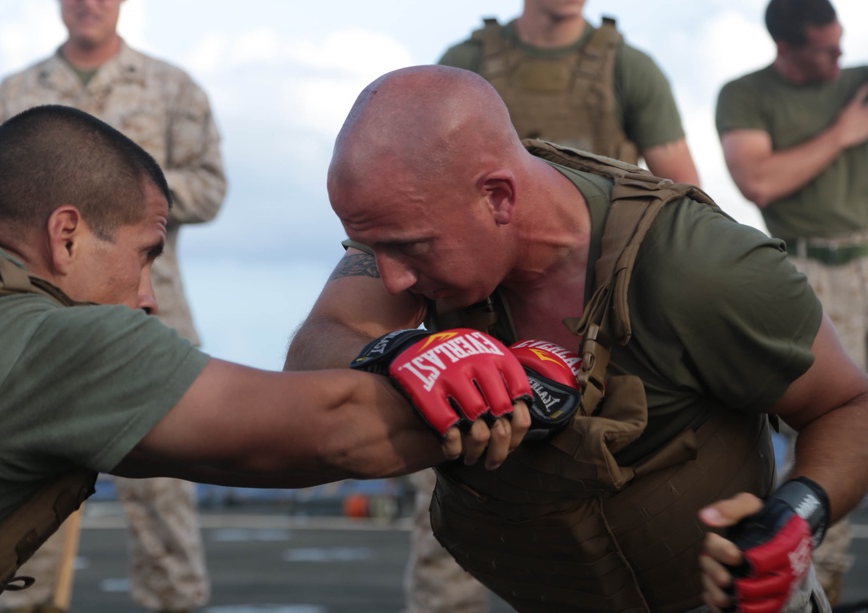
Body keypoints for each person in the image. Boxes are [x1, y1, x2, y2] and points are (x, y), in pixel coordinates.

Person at [0, 104, 534, 613]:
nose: (147, 297)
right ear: (66, 236)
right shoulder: (59, 343)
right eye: (143, 256)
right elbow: (337, 430)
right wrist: (527, 383)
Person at [284, 64, 868, 612]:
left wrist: (797, 514)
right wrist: (399, 352)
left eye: (409, 248)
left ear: (499, 198)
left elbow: (850, 405)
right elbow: (317, 355)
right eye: (374, 248)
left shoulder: (701, 269)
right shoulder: (412, 210)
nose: (392, 281)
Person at [402, 2, 701, 609]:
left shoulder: (627, 70)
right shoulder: (466, 66)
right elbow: (412, 190)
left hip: (595, 330)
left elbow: (686, 204)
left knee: (599, 519)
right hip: (473, 323)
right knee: (453, 514)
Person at [0, 0, 226, 610]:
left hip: (146, 317)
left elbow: (210, 187)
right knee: (23, 506)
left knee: (164, 502)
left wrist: (115, 189)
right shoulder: (16, 94)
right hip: (38, 325)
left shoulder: (171, 87)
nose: (89, 4)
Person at [715, 0, 868, 604]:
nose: (839, 56)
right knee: (824, 427)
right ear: (789, 47)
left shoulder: (859, 79)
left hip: (865, 261)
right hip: (801, 271)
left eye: (841, 44)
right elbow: (759, 181)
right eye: (826, 49)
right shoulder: (746, 94)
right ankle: (798, 582)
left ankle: (823, 575)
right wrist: (844, 133)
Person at [438, 0, 700, 185]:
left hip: (602, 254)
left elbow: (684, 195)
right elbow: (429, 175)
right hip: (495, 250)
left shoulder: (629, 67)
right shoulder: (464, 63)